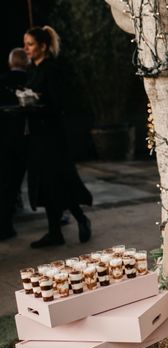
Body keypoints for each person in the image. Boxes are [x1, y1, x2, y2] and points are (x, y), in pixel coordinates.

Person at [23, 25, 92, 248]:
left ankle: (79, 220)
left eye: (30, 44)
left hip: (52, 137)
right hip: (38, 136)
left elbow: (59, 103)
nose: (26, 49)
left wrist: (35, 103)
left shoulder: (52, 70)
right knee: (47, 185)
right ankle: (55, 231)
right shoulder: (33, 69)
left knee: (58, 182)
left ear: (43, 46)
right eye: (25, 45)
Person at [0, 48, 29, 240]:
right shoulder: (31, 80)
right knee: (13, 183)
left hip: (3, 140)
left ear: (11, 63)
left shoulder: (2, 80)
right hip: (24, 140)